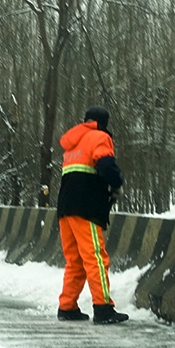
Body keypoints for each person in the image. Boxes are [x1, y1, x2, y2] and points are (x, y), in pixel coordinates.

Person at [56, 106, 129, 324]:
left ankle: (67, 307)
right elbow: (105, 164)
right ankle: (103, 308)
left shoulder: (72, 144)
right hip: (86, 206)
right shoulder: (100, 137)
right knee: (95, 257)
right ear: (103, 123)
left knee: (75, 260)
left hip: (65, 207)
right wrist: (116, 183)